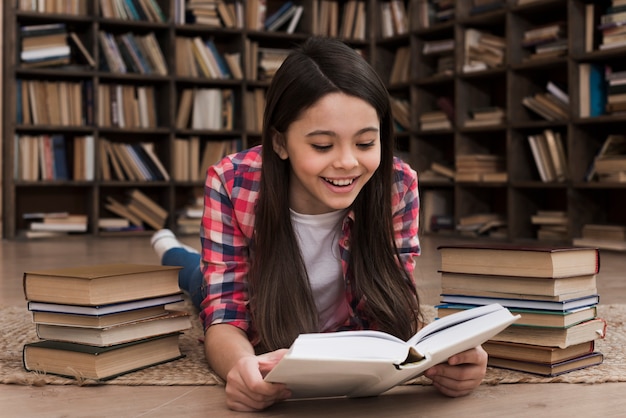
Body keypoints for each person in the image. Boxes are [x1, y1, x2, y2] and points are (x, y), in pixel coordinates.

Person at [151, 37, 487, 412]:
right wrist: (242, 369)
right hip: (253, 293)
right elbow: (226, 312)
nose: (347, 163)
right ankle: (168, 248)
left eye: (365, 143)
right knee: (194, 277)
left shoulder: (397, 184)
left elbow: (393, 299)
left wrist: (452, 362)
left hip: (333, 317)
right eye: (323, 146)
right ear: (280, 142)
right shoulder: (231, 182)